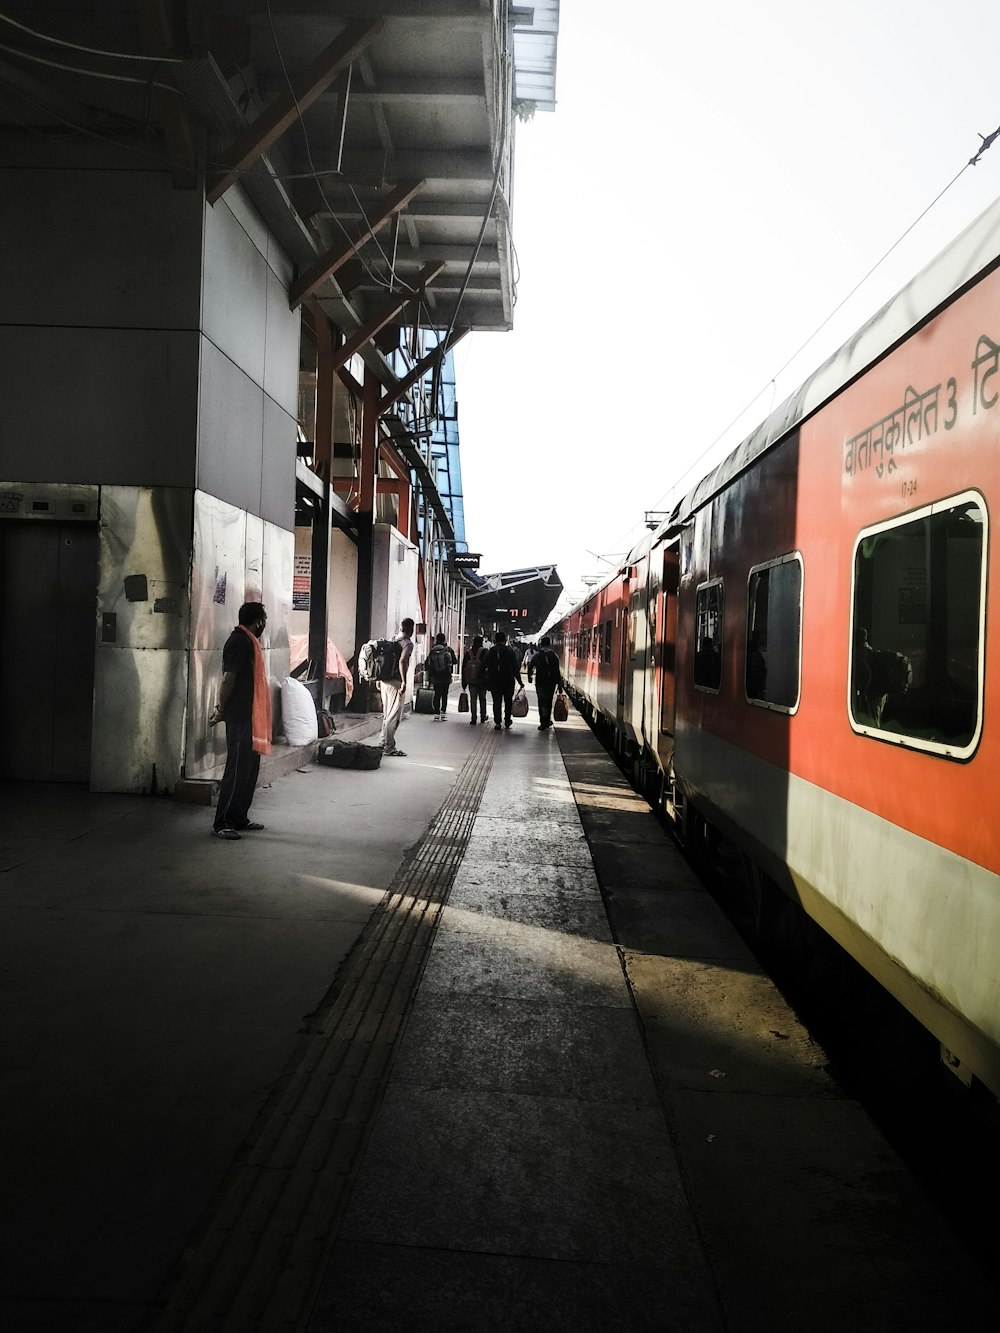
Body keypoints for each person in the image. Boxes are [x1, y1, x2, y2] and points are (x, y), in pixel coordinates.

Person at [210, 602, 271, 840]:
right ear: (258, 621)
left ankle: (239, 817)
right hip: (239, 714)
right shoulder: (238, 642)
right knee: (236, 769)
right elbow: (228, 679)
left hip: (251, 715)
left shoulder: (248, 642)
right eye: (263, 620)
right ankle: (222, 821)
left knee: (249, 768)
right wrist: (221, 708)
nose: (264, 625)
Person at [379, 616, 414, 756]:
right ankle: (389, 747)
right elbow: (402, 661)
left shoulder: (393, 640)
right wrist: (404, 681)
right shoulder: (407, 643)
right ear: (411, 630)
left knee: (387, 715)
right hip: (396, 683)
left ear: (400, 628)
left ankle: (382, 743)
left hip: (385, 681)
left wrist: (379, 678)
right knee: (394, 716)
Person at [483, 630, 523, 731]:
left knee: (497, 702)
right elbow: (515, 668)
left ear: (495, 640)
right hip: (508, 681)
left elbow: (483, 665)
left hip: (494, 681)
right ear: (505, 640)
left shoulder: (490, 651)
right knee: (508, 701)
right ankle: (507, 720)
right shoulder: (510, 651)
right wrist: (520, 682)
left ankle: (497, 722)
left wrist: (483, 679)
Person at [527, 634, 564, 730]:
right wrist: (559, 686)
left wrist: (529, 677)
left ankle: (542, 722)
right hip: (551, 682)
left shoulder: (538, 654)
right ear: (550, 644)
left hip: (540, 682)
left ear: (541, 644)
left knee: (541, 701)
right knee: (548, 701)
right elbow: (557, 671)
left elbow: (531, 666)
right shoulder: (554, 656)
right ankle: (547, 720)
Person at [427, 632, 458, 720]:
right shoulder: (448, 650)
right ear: (444, 639)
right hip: (446, 676)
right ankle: (443, 713)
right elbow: (455, 661)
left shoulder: (432, 650)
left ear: (437, 639)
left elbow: (428, 664)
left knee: (437, 694)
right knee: (445, 694)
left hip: (435, 676)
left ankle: (436, 713)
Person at [461, 634, 488, 725]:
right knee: (482, 698)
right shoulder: (485, 652)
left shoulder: (468, 653)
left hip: (471, 680)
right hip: (482, 680)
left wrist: (464, 682)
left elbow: (464, 668)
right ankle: (483, 716)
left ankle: (473, 718)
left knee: (473, 699)